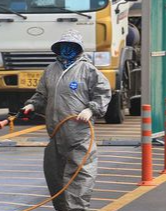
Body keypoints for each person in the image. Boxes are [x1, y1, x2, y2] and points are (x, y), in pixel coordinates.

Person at [22, 29, 111, 211]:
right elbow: (41, 95)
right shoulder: (51, 70)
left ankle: (77, 209)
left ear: (78, 49)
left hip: (79, 134)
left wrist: (91, 109)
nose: (67, 50)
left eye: (71, 46)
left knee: (80, 174)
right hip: (55, 134)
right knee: (55, 175)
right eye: (64, 46)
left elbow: (102, 93)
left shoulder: (87, 70)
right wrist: (32, 105)